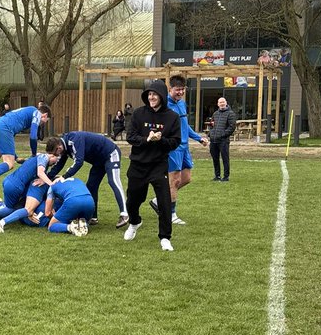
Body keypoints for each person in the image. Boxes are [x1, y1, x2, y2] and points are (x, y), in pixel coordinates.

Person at [123, 82, 180, 252]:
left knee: (164, 202)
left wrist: (161, 140)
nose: (151, 97)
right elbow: (131, 137)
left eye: (155, 94)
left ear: (162, 96)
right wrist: (146, 139)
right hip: (138, 164)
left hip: (158, 165)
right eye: (149, 94)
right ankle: (134, 223)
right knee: (132, 201)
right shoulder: (139, 114)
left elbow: (175, 142)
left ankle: (165, 238)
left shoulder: (172, 117)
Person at [155, 74, 208, 226]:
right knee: (175, 180)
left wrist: (198, 138)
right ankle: (171, 214)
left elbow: (185, 125)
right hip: (173, 147)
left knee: (186, 178)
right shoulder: (164, 105)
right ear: (170, 89)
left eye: (182, 89)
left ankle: (159, 200)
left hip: (185, 147)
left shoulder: (181, 104)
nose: (180, 92)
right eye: (177, 90)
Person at [46, 132, 128, 228]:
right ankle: (93, 217)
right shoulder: (64, 147)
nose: (56, 157)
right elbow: (59, 165)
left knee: (113, 181)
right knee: (91, 186)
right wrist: (46, 177)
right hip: (98, 161)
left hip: (110, 154)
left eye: (55, 154)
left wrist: (64, 176)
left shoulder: (75, 140)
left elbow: (79, 162)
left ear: (59, 148)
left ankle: (124, 214)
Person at [0, 149, 61, 231]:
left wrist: (19, 159)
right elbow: (40, 173)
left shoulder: (37, 156)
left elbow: (30, 166)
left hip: (8, 180)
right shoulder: (43, 161)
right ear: (52, 155)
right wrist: (52, 184)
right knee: (24, 210)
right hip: (16, 187)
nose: (53, 164)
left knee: (10, 207)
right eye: (55, 161)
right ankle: (0, 222)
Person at [208, 95, 237, 181]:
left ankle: (226, 176)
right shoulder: (215, 114)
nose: (222, 104)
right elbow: (211, 124)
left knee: (225, 158)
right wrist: (211, 133)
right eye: (220, 102)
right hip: (213, 140)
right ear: (218, 104)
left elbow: (232, 127)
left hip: (223, 140)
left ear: (226, 103)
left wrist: (223, 134)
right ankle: (217, 176)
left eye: (223, 102)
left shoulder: (230, 114)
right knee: (215, 159)